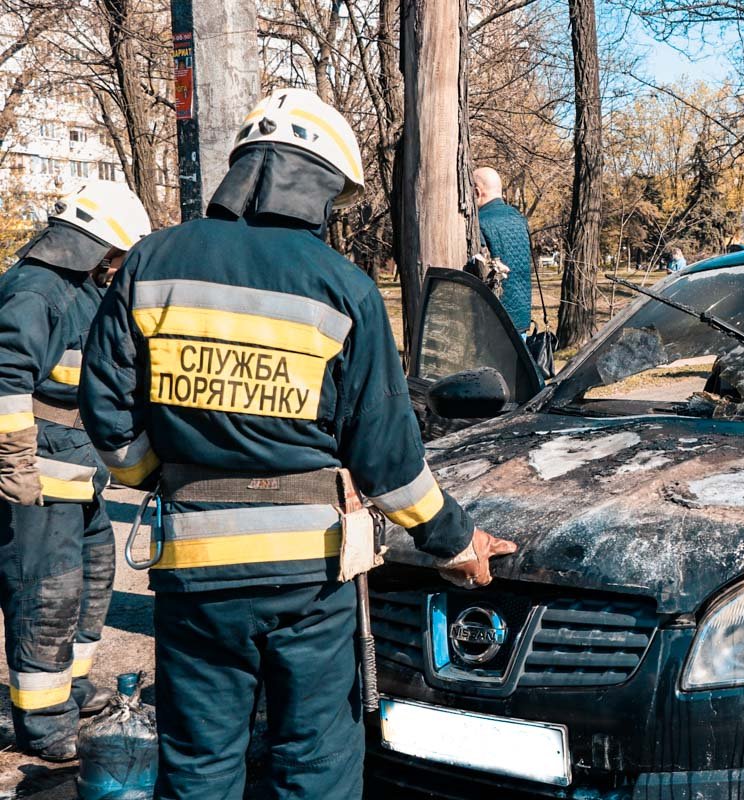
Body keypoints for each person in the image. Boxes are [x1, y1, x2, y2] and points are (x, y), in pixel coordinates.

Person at [79, 88, 517, 799]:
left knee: (197, 766)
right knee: (313, 764)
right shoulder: (342, 287)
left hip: (194, 574)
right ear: (316, 185)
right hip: (306, 582)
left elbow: (105, 412)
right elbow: (388, 461)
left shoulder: (152, 264)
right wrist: (457, 541)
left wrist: (165, 478)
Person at [0, 181, 150, 761]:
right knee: (47, 598)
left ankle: (73, 691)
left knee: (91, 583)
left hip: (77, 477)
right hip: (37, 484)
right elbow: (5, 379)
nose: (118, 264)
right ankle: (42, 724)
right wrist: (14, 467)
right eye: (116, 252)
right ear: (96, 244)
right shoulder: (35, 292)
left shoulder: (79, 290)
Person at [473, 167, 532, 333]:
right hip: (522, 316)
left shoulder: (479, 223)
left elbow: (480, 271)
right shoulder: (519, 219)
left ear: (477, 192)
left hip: (493, 319)